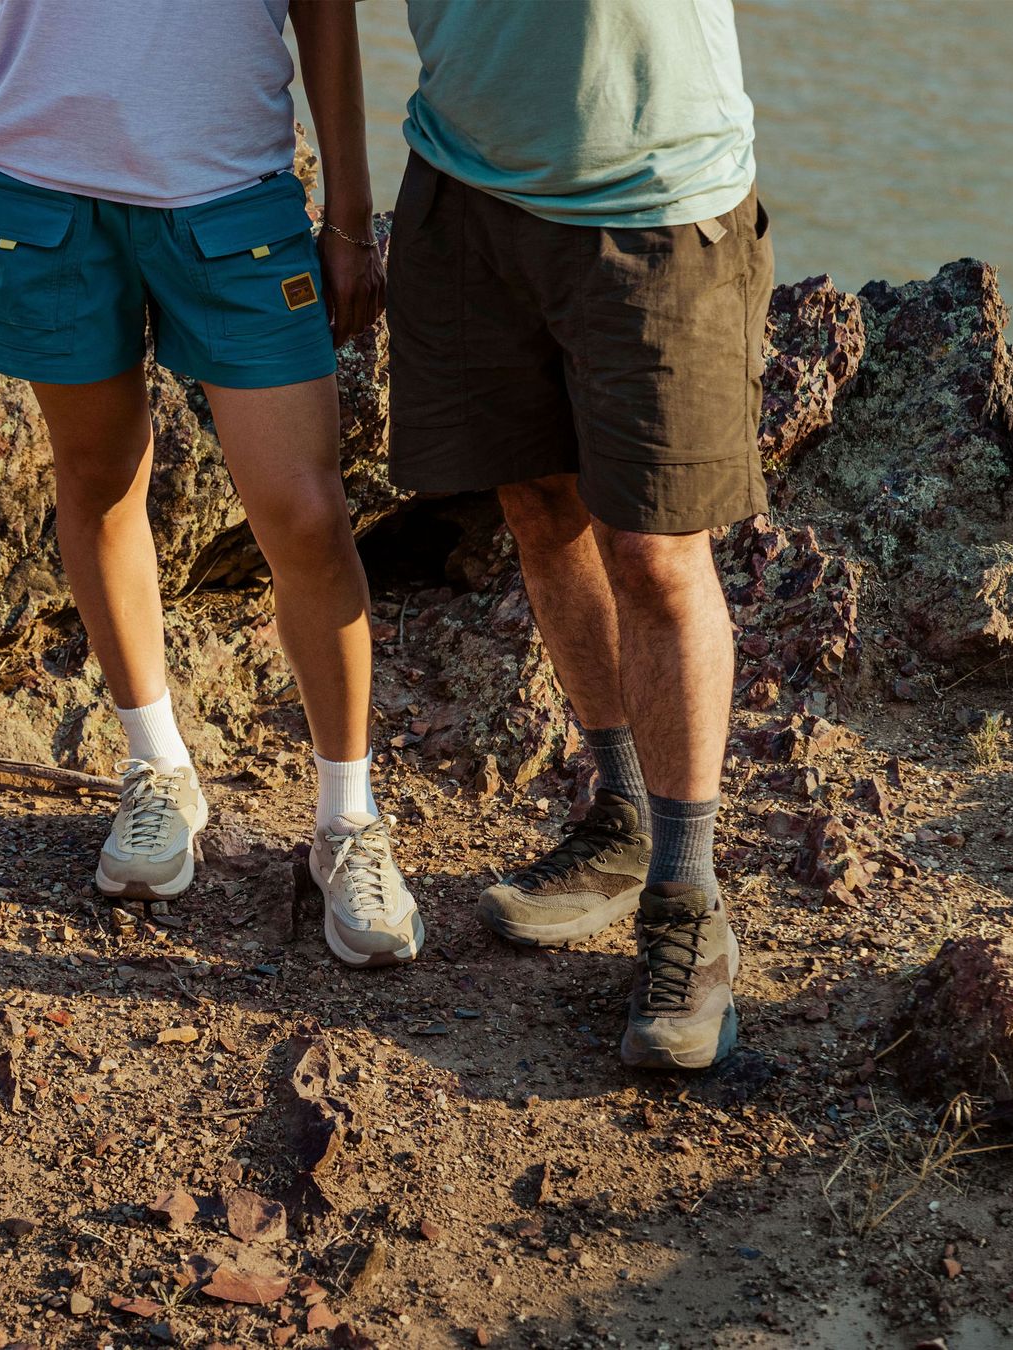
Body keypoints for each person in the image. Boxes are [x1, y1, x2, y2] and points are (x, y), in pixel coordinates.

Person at [0, 0, 423, 968]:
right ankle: (155, 763)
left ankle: (347, 820)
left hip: (229, 182)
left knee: (307, 514)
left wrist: (351, 214)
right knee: (97, 478)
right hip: (45, 162)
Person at [387, 0, 772, 1064]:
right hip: (465, 184)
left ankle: (687, 902)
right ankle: (625, 813)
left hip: (657, 198)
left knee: (655, 552)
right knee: (537, 508)